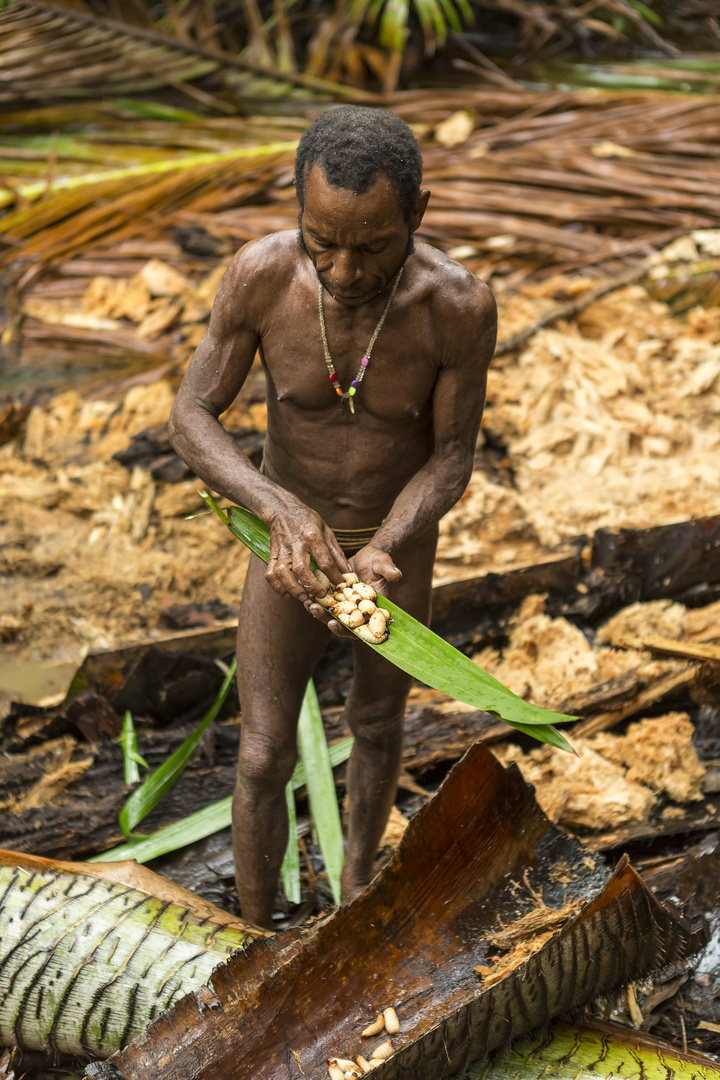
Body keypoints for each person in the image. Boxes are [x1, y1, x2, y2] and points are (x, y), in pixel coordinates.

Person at [168, 105, 497, 930]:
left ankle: (356, 898)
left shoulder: (456, 306)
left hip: (394, 548)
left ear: (418, 214)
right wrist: (279, 508)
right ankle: (255, 936)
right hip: (286, 547)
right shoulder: (261, 277)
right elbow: (192, 414)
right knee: (261, 753)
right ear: (297, 208)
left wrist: (387, 544)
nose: (345, 270)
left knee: (380, 722)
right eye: (323, 241)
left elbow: (452, 456)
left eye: (375, 245)